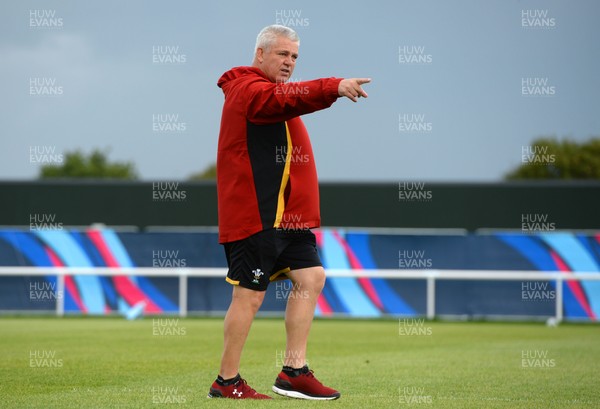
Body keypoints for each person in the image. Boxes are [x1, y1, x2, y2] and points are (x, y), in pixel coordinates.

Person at [208, 24, 370, 400]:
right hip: (257, 214)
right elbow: (285, 100)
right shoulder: (247, 90)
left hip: (287, 217)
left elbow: (289, 100)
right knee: (249, 296)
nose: (290, 62)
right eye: (283, 54)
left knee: (311, 277)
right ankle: (226, 381)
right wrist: (333, 86)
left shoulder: (270, 91)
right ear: (260, 54)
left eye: (295, 56)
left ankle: (293, 372)